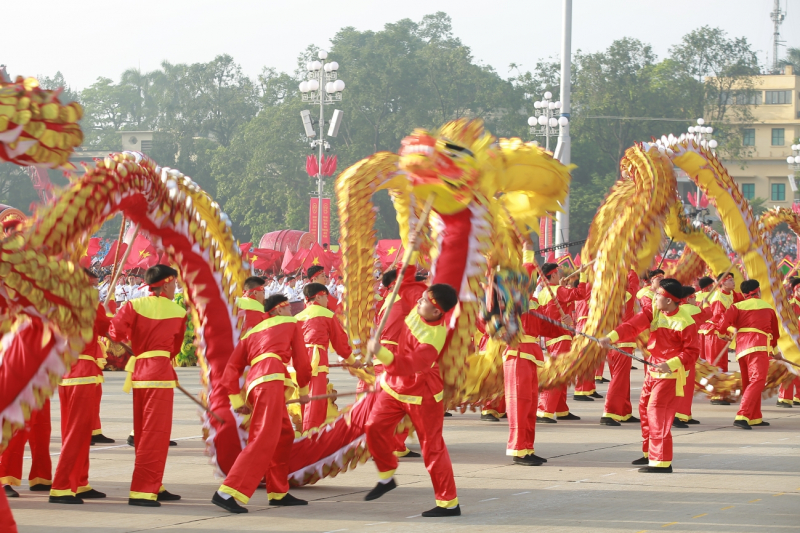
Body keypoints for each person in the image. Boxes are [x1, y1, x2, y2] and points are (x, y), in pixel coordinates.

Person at [364, 281, 461, 517]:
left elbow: (407, 365)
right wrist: (413, 243)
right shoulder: (423, 303)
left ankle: (448, 503)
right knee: (373, 427)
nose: (419, 301)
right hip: (396, 386)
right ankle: (387, 475)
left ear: (437, 311)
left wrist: (379, 352)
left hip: (423, 394)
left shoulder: (433, 338)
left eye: (425, 301)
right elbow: (406, 281)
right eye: (422, 297)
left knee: (433, 448)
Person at [211, 294, 311, 514]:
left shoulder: (251, 332)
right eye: (287, 307)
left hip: (257, 383)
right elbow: (302, 362)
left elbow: (231, 368)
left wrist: (237, 399)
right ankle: (227, 491)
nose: (291, 311)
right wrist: (303, 390)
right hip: (272, 379)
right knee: (264, 437)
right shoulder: (291, 324)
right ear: (277, 310)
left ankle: (278, 491)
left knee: (284, 434)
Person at [599, 279, 699, 473]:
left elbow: (692, 353)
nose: (655, 297)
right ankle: (649, 453)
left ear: (669, 300)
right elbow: (632, 326)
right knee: (644, 409)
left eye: (659, 295)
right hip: (654, 370)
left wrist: (669, 364)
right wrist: (610, 338)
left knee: (657, 411)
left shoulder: (685, 321)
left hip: (670, 374)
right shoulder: (655, 311)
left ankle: (661, 460)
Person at [108, 264, 186, 507]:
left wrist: (138, 345)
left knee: (143, 433)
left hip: (140, 373)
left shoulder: (133, 305)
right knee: (156, 434)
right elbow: (175, 348)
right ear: (165, 283)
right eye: (174, 283)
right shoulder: (178, 312)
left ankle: (154, 482)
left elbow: (114, 332)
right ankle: (143, 489)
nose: (175, 287)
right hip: (160, 373)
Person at [49, 269, 111, 504]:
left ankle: (80, 481)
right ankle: (62, 485)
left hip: (65, 373)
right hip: (84, 373)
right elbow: (108, 330)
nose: (95, 290)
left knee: (75, 432)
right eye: (93, 285)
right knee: (78, 432)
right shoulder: (91, 306)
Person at [708, 280, 780, 429]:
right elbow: (774, 333)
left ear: (743, 293)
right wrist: (775, 351)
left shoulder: (736, 306)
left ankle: (754, 417)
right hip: (758, 346)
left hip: (742, 349)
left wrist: (723, 335)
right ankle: (743, 415)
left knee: (749, 382)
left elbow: (721, 325)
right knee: (758, 380)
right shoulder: (768, 307)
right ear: (758, 291)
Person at [295, 283, 354, 431]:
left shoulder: (296, 317)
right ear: (320, 296)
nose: (328, 301)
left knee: (301, 399)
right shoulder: (327, 314)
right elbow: (340, 342)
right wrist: (353, 361)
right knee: (315, 401)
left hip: (296, 361)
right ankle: (310, 437)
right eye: (326, 297)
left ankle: (303, 431)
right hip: (316, 361)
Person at [536, 263, 585, 423]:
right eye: (558, 272)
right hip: (561, 337)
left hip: (552, 338)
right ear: (554, 275)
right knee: (557, 374)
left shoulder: (543, 293)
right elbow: (581, 293)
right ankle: (544, 410)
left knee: (562, 374)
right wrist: (583, 276)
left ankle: (561, 409)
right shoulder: (557, 290)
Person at [599, 269, 641, 426]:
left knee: (622, 379)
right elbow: (635, 282)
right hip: (623, 341)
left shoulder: (606, 298)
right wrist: (629, 266)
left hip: (612, 342)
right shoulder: (626, 295)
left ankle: (624, 412)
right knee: (619, 379)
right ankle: (609, 412)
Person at [673, 287, 711, 428]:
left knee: (684, 384)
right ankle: (679, 415)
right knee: (685, 384)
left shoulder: (677, 310)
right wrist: (706, 303)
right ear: (688, 299)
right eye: (694, 297)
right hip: (687, 352)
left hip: (677, 351)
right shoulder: (691, 309)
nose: (696, 300)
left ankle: (685, 414)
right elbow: (708, 314)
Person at [706, 272, 740, 404]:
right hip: (715, 333)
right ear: (723, 283)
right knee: (716, 363)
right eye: (730, 280)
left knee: (723, 364)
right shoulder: (718, 297)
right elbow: (718, 318)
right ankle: (716, 395)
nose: (733, 282)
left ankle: (723, 393)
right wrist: (732, 329)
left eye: (733, 279)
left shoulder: (732, 294)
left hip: (725, 333)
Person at [777, 277, 800, 407]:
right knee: (789, 370)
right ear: (795, 290)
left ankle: (798, 396)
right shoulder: (790, 306)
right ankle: (784, 398)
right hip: (791, 342)